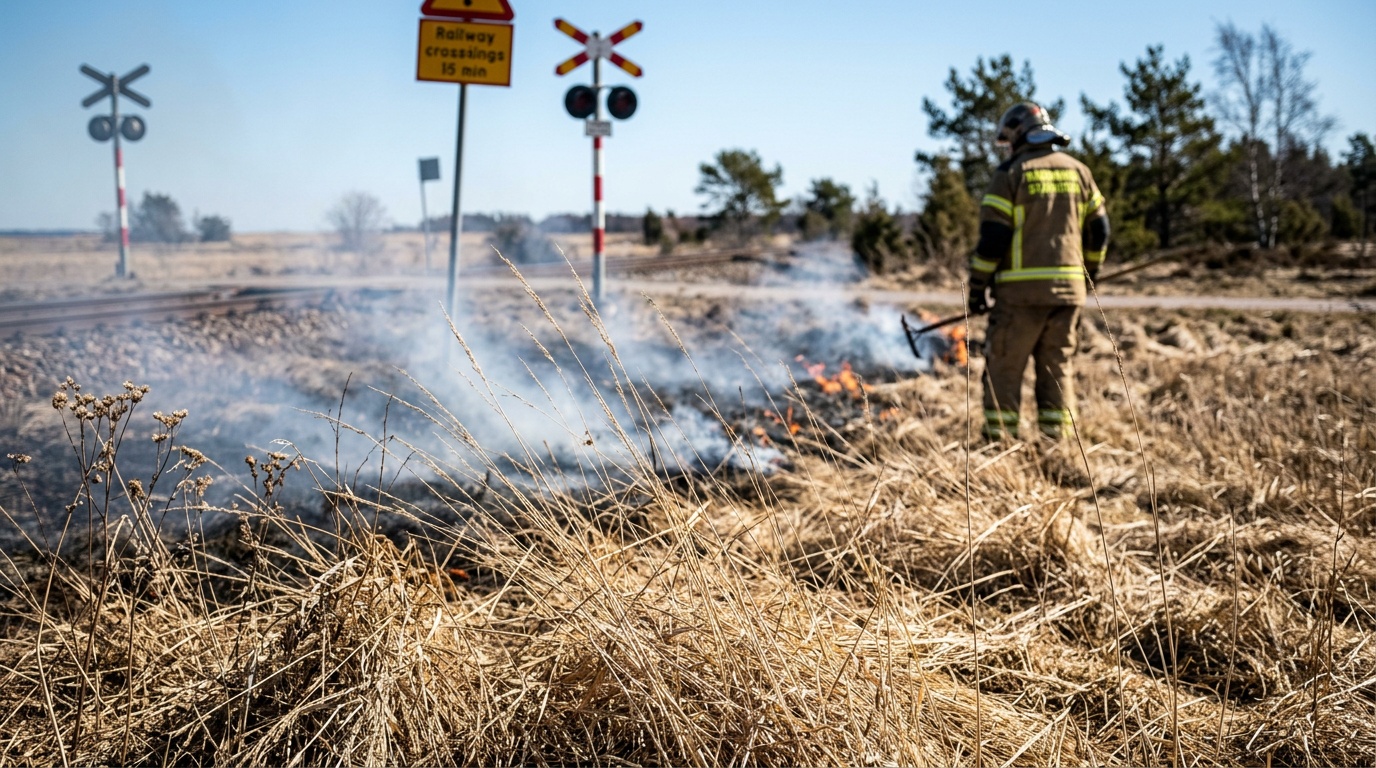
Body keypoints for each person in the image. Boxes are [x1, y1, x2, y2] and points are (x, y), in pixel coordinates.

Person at [968, 101, 1110, 440]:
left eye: (1008, 139)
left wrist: (977, 288)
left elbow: (993, 239)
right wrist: (1090, 272)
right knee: (1057, 370)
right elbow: (1100, 230)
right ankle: (1056, 446)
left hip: (1020, 298)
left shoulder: (1011, 174)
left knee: (1003, 369)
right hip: (1068, 295)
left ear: (1017, 133)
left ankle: (1000, 446)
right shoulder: (1080, 171)